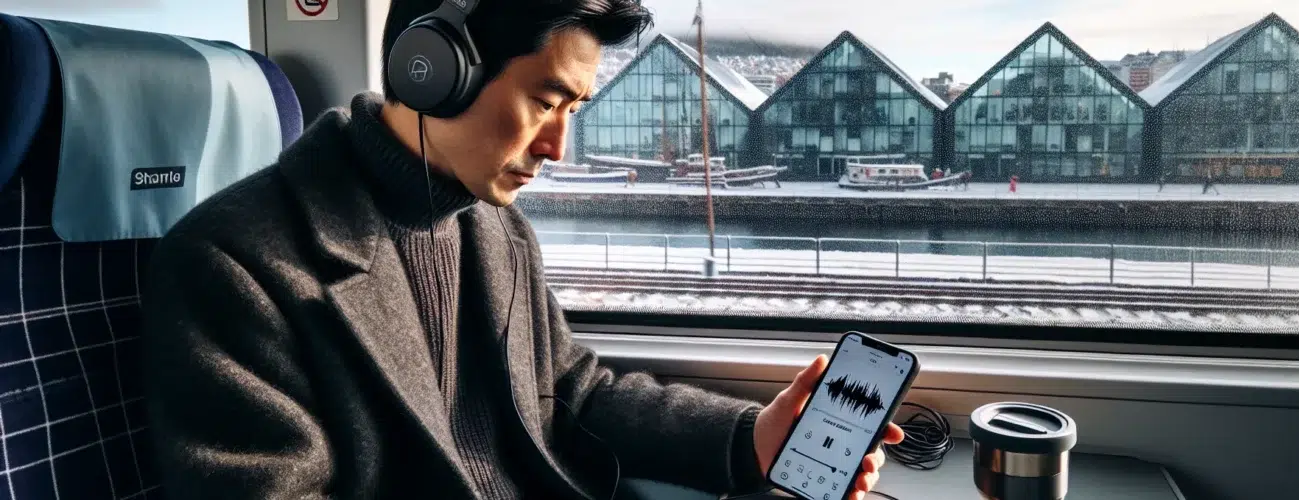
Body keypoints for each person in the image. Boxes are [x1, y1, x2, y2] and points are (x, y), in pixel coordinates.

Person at [139, 0, 904, 499]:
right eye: (544, 101)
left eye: (574, 108)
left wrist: (752, 438)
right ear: (432, 71)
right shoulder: (235, 266)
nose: (560, 146)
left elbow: (575, 396)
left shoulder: (494, 229)